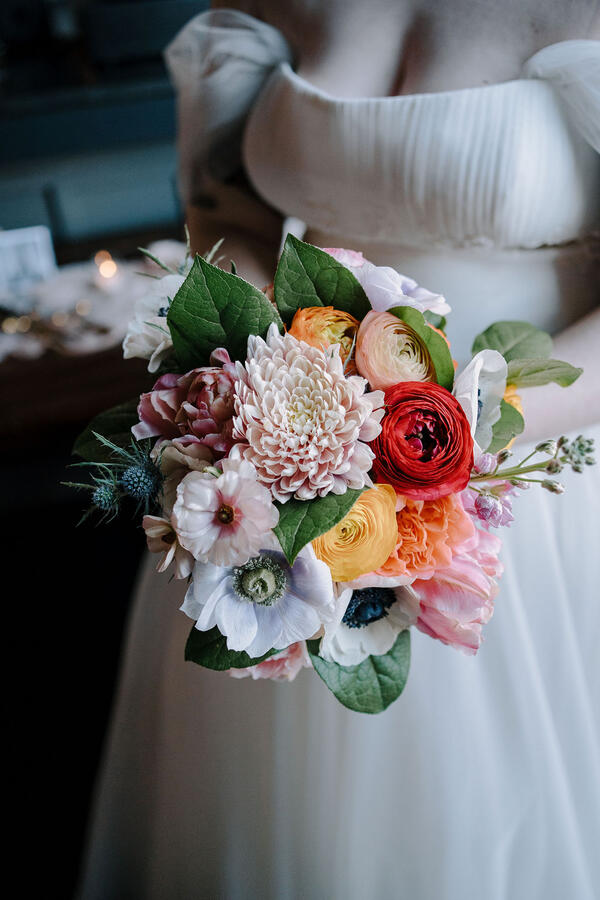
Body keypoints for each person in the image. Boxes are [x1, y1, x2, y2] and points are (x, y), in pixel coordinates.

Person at [78, 3, 600, 898]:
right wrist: (260, 380)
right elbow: (225, 212)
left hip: (530, 480)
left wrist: (444, 437)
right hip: (283, 469)